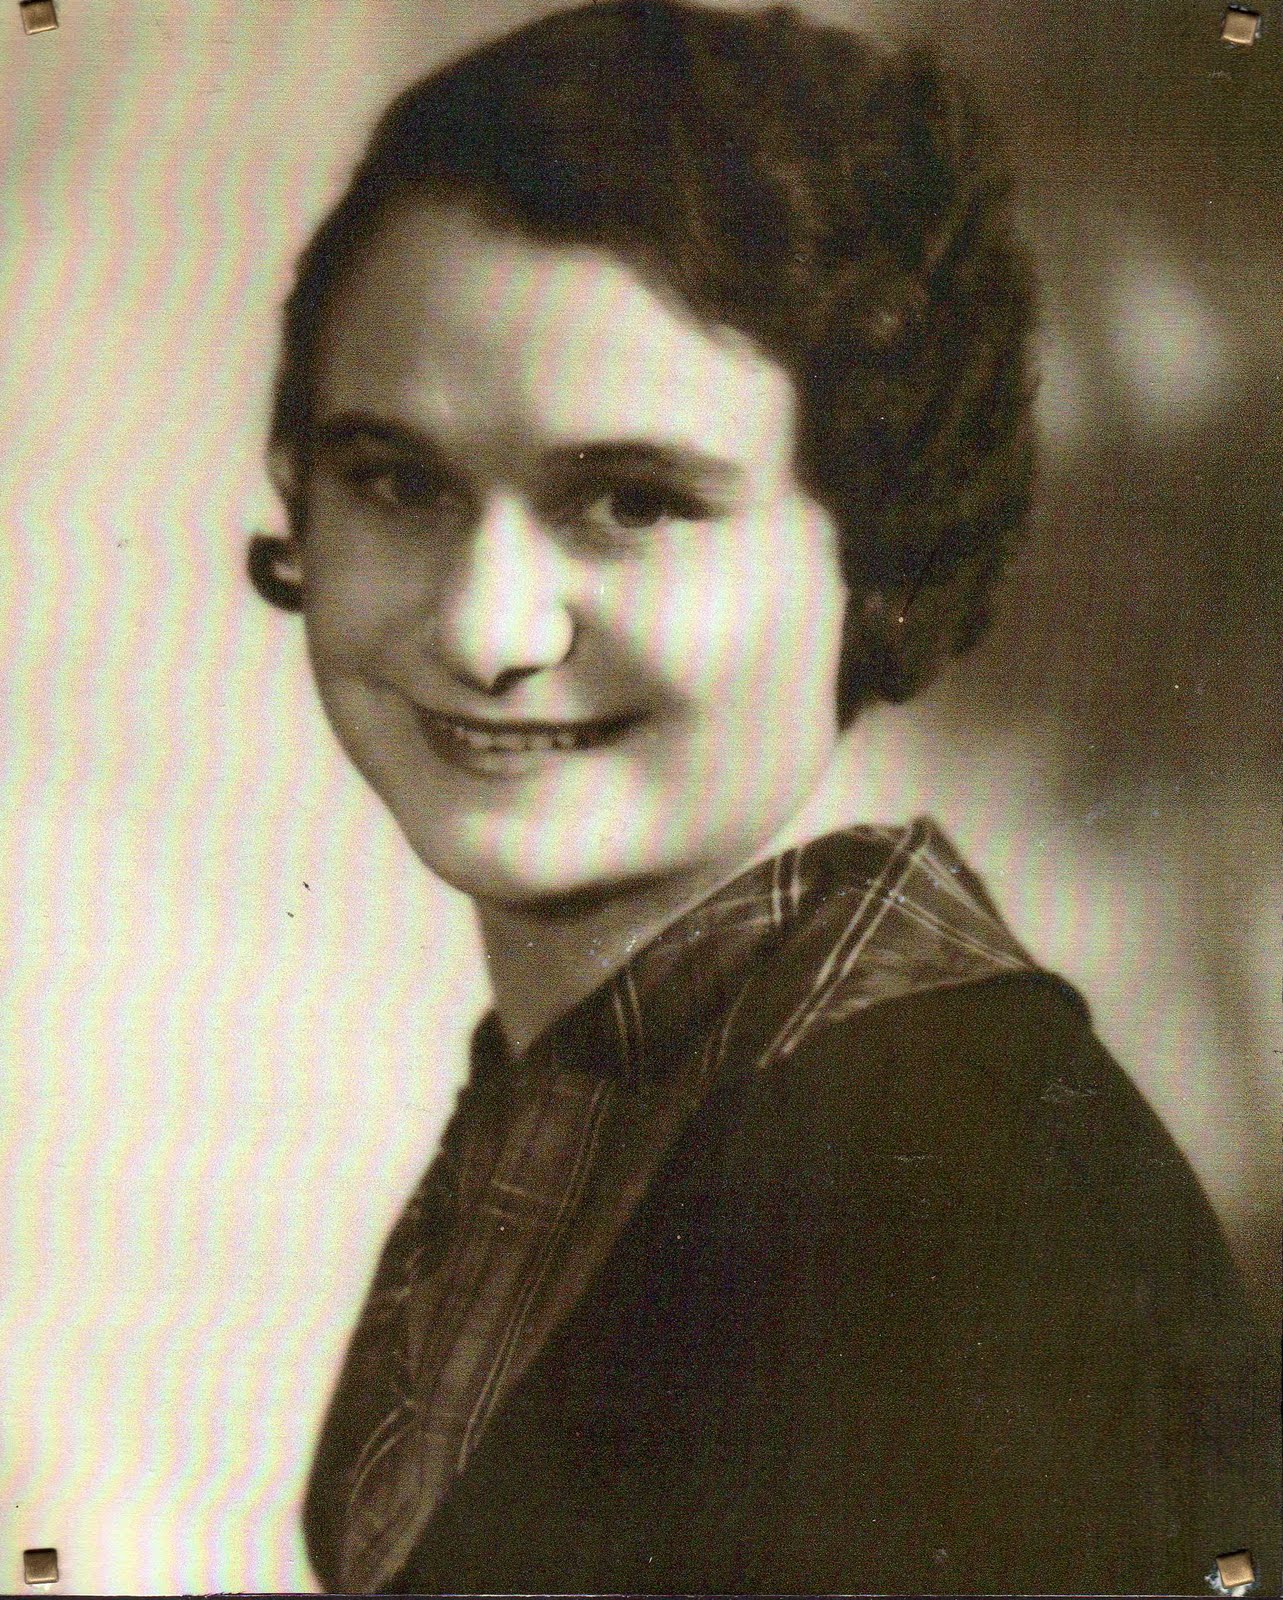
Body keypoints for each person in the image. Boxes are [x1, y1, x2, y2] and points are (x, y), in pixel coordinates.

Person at [248, 1, 1279, 1592]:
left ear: (878, 544)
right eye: (398, 481)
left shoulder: (956, 1195)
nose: (483, 630)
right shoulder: (634, 1077)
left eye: (631, 502)